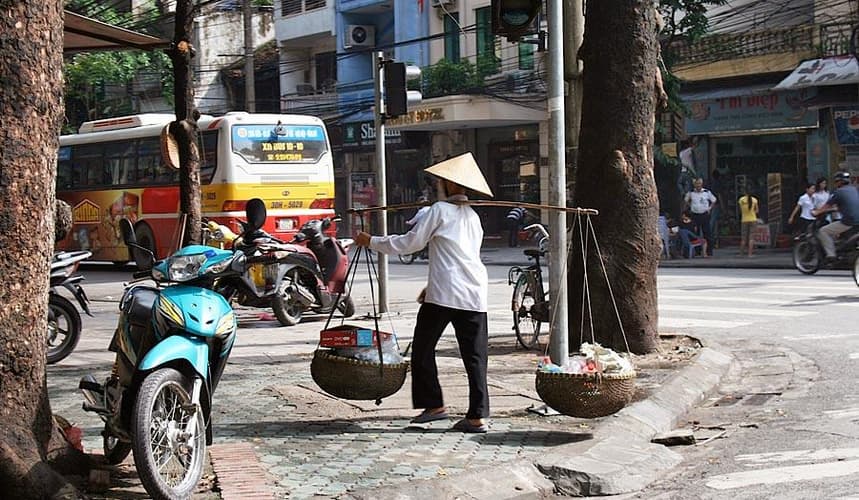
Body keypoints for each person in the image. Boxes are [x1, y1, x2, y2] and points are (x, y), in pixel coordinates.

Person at [354, 152, 492, 433]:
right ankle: (477, 416)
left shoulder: (438, 211)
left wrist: (371, 241)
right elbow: (458, 256)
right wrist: (432, 286)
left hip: (446, 296)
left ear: (451, 185)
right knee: (475, 357)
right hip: (472, 293)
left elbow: (409, 243)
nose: (436, 186)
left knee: (423, 348)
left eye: (439, 182)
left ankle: (434, 405)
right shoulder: (473, 217)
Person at [813, 171, 859, 265]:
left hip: (849, 221)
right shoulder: (854, 190)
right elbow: (847, 204)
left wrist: (817, 212)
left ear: (839, 182)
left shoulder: (838, 192)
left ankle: (831, 255)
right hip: (856, 220)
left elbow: (826, 206)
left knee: (823, 231)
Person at [684, 178, 716, 256]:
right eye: (696, 184)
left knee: (707, 232)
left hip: (704, 214)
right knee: (695, 233)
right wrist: (690, 206)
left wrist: (709, 209)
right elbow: (685, 200)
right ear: (694, 184)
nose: (698, 185)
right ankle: (697, 251)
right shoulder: (691, 192)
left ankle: (709, 251)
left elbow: (714, 200)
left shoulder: (706, 192)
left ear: (701, 184)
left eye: (699, 183)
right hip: (695, 215)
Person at [737, 188, 759, 258]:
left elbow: (740, 210)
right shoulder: (755, 200)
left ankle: (741, 253)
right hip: (753, 219)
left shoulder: (741, 200)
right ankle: (750, 254)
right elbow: (757, 211)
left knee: (743, 238)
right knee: (751, 238)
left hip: (744, 220)